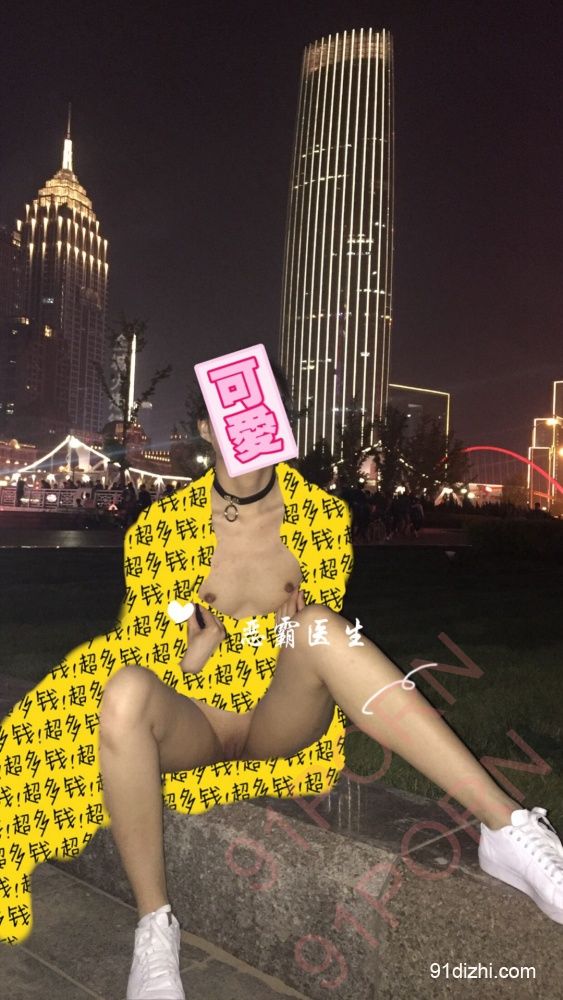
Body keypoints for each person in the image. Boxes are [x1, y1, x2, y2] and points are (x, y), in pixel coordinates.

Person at [1, 367, 563, 999]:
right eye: (233, 415)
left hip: (278, 716)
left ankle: (505, 827)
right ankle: (155, 930)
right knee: (125, 689)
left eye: (262, 414)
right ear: (206, 428)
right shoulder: (162, 527)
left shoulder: (318, 517)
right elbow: (147, 649)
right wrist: (195, 655)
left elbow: (323, 654)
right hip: (196, 720)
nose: (250, 428)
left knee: (321, 626)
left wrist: (287, 631)